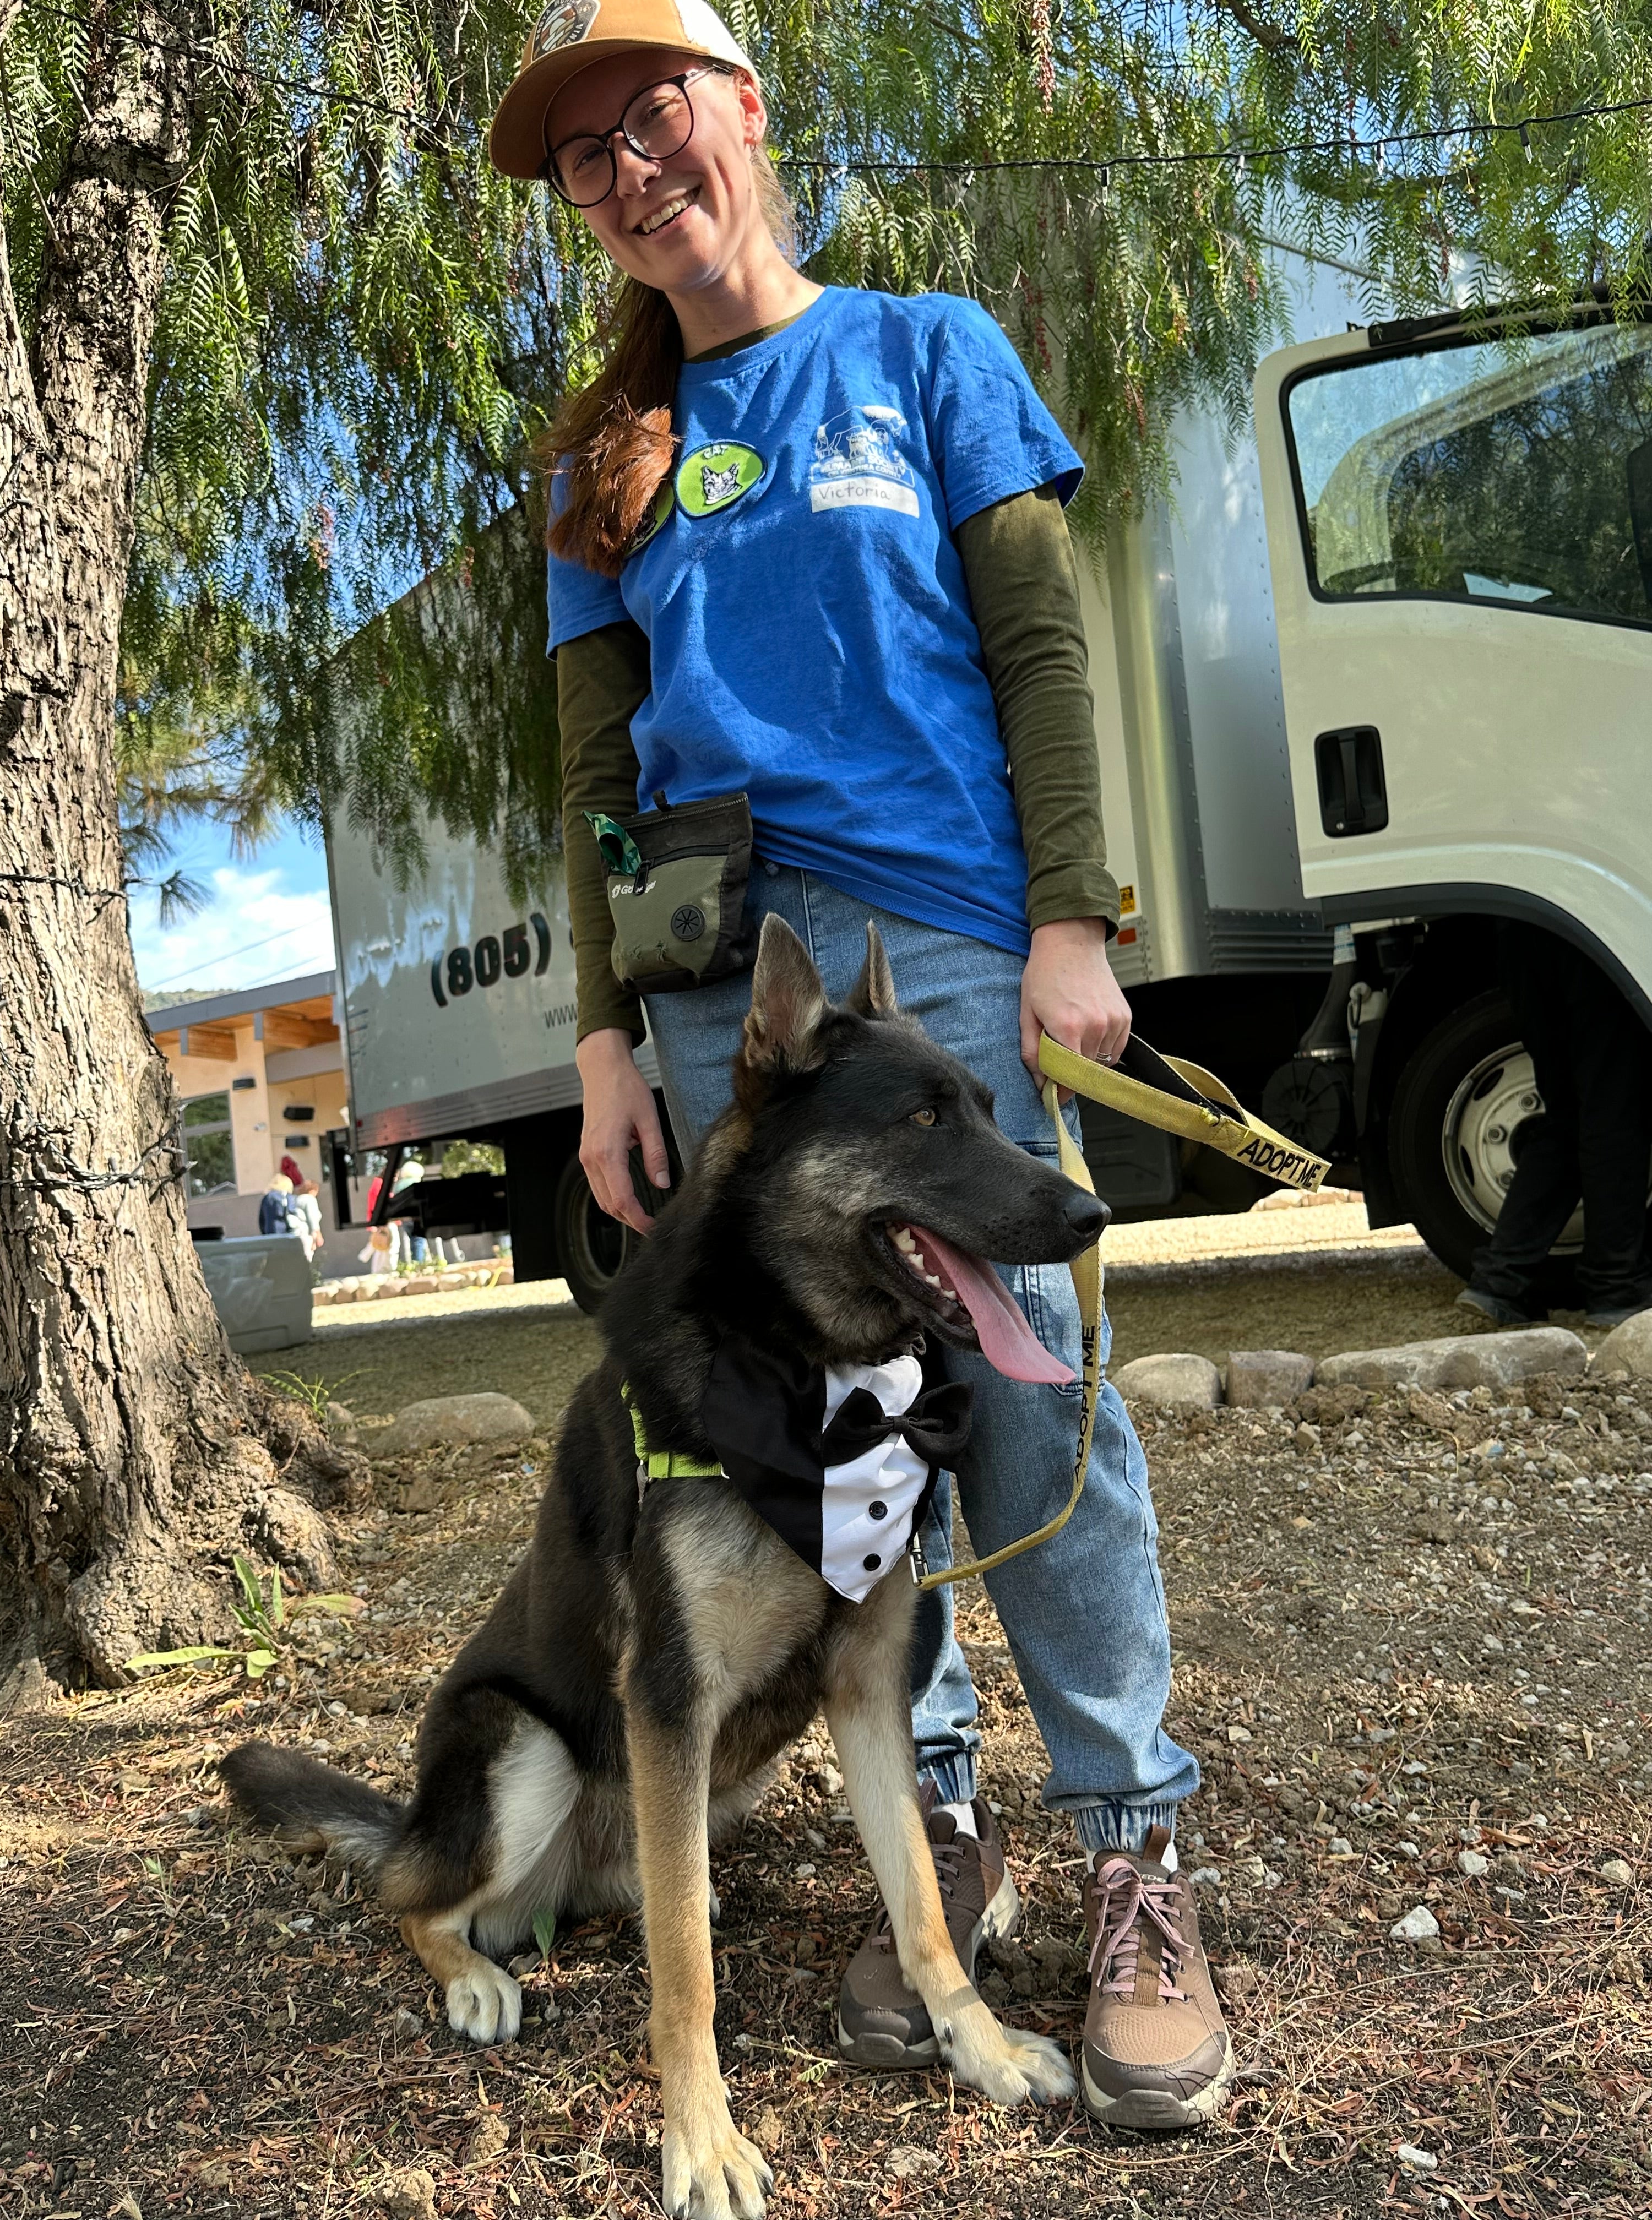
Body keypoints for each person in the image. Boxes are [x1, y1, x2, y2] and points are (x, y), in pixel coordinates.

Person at [493, 1, 1229, 2128]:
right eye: (584, 157)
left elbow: (1035, 644)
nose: (627, 170)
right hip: (717, 988)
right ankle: (939, 1821)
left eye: (650, 116)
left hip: (946, 950)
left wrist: (1070, 916)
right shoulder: (599, 459)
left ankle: (1129, 1852)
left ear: (742, 107)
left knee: (1029, 1389)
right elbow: (591, 777)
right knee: (820, 1434)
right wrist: (606, 1039)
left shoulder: (923, 352)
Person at [1457, 923, 1652, 1328]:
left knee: (1569, 1117)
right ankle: (1617, 1285)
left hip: (1524, 921)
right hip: (1598, 927)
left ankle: (1499, 1282)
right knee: (1612, 1110)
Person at [258, 1172, 295, 1237]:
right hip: (290, 1233)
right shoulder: (291, 1198)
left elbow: (262, 1220)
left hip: (271, 1233)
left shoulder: (269, 1198)